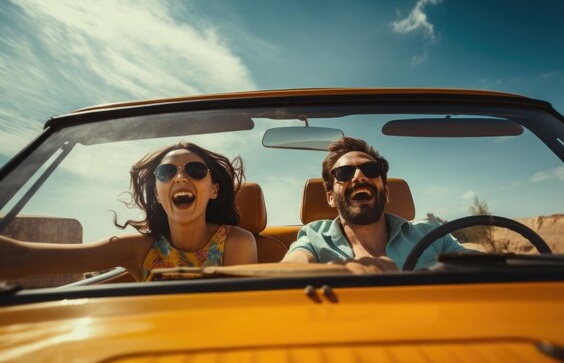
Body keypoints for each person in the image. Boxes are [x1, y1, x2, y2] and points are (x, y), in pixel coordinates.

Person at [0, 142, 258, 281]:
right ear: (157, 192)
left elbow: (242, 317)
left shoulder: (236, 242)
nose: (180, 177)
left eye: (195, 171)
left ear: (213, 190)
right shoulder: (138, 249)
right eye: (166, 173)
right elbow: (21, 258)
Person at [281, 137, 470, 273]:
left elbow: (482, 263)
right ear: (330, 198)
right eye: (344, 173)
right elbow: (289, 268)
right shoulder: (313, 237)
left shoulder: (432, 234)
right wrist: (337, 274)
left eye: (370, 170)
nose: (359, 176)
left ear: (386, 193)